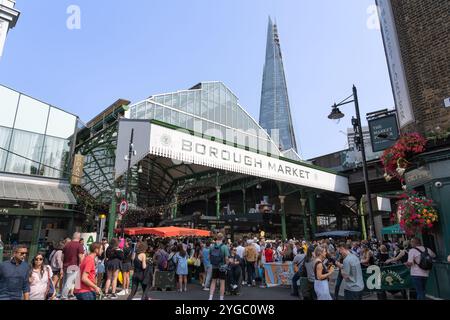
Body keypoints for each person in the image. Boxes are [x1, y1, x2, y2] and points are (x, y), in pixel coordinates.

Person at [61, 232, 85, 300]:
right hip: (74, 265)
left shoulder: (66, 245)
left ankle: (64, 295)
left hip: (65, 265)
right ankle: (64, 297)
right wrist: (82, 265)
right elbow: (81, 257)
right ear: (79, 238)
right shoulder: (79, 245)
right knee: (69, 282)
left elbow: (62, 258)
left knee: (65, 282)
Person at [208, 233, 229, 301]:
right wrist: (227, 264)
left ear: (216, 237)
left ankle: (210, 297)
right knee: (222, 282)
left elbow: (209, 257)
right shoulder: (224, 247)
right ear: (222, 238)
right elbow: (226, 258)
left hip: (214, 266)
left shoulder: (212, 246)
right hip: (222, 266)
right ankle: (221, 298)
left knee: (213, 281)